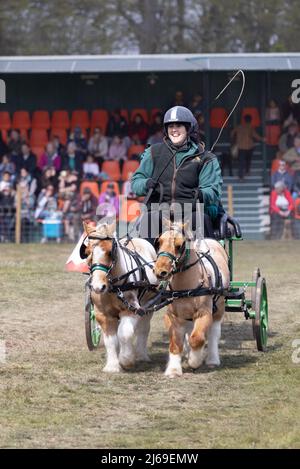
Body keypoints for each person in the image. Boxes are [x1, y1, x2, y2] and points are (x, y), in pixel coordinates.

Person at [131, 105, 223, 242]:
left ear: (189, 128)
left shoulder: (205, 158)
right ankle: (148, 263)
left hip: (191, 212)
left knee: (198, 219)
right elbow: (136, 182)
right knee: (149, 219)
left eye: (179, 126)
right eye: (170, 126)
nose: (174, 130)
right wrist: (146, 183)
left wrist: (200, 194)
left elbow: (213, 189)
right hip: (159, 211)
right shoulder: (153, 153)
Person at [231, 114, 265, 180]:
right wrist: (262, 139)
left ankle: (241, 176)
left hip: (240, 147)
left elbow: (232, 133)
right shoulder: (250, 127)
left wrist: (233, 141)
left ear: (244, 120)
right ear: (250, 120)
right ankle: (247, 171)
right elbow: (255, 135)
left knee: (241, 162)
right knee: (248, 160)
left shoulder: (239, 126)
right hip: (249, 146)